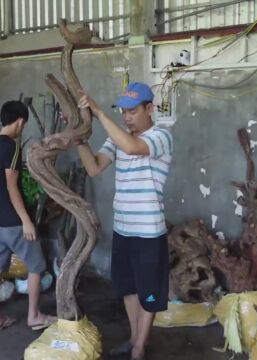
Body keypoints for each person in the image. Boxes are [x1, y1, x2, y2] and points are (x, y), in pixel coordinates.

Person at [77, 82, 173, 360]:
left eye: (132, 111)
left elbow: (132, 148)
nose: (126, 117)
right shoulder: (118, 138)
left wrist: (98, 112)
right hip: (123, 228)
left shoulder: (160, 136)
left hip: (148, 233)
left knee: (149, 293)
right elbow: (94, 168)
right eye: (122, 112)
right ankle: (134, 339)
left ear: (149, 109)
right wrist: (79, 139)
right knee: (128, 289)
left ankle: (141, 348)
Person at [0, 100, 56, 332]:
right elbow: (11, 186)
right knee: (36, 265)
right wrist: (26, 220)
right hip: (14, 221)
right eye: (23, 124)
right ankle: (34, 316)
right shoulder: (11, 147)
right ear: (20, 121)